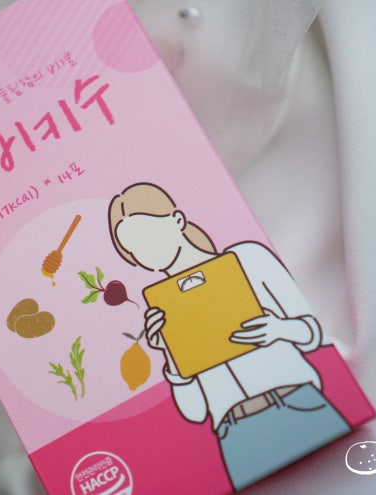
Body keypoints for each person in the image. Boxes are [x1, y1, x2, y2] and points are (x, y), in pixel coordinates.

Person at [108, 182, 351, 491]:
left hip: (297, 403)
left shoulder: (248, 259)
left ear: (177, 220)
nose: (145, 252)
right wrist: (174, 362)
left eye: (147, 235)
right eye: (133, 249)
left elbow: (313, 334)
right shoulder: (165, 314)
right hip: (236, 435)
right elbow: (195, 412)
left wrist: (278, 329)